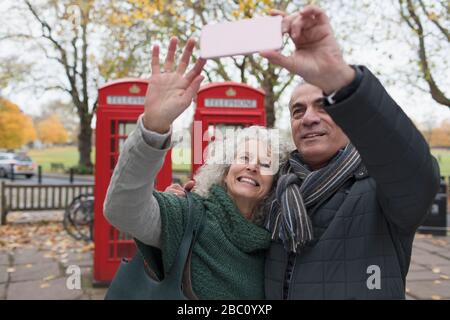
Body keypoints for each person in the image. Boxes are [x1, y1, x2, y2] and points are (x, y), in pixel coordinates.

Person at [168, 5, 440, 299]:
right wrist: (193, 198)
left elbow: (415, 172)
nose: (309, 117)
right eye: (299, 110)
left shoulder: (380, 189)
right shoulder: (275, 189)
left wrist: (341, 80)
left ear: (347, 118)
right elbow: (233, 205)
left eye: (323, 106)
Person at [103, 37, 288, 299]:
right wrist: (153, 128)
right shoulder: (189, 215)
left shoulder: (278, 240)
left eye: (266, 163)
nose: (253, 167)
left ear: (276, 180)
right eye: (244, 158)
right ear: (225, 169)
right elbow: (122, 210)